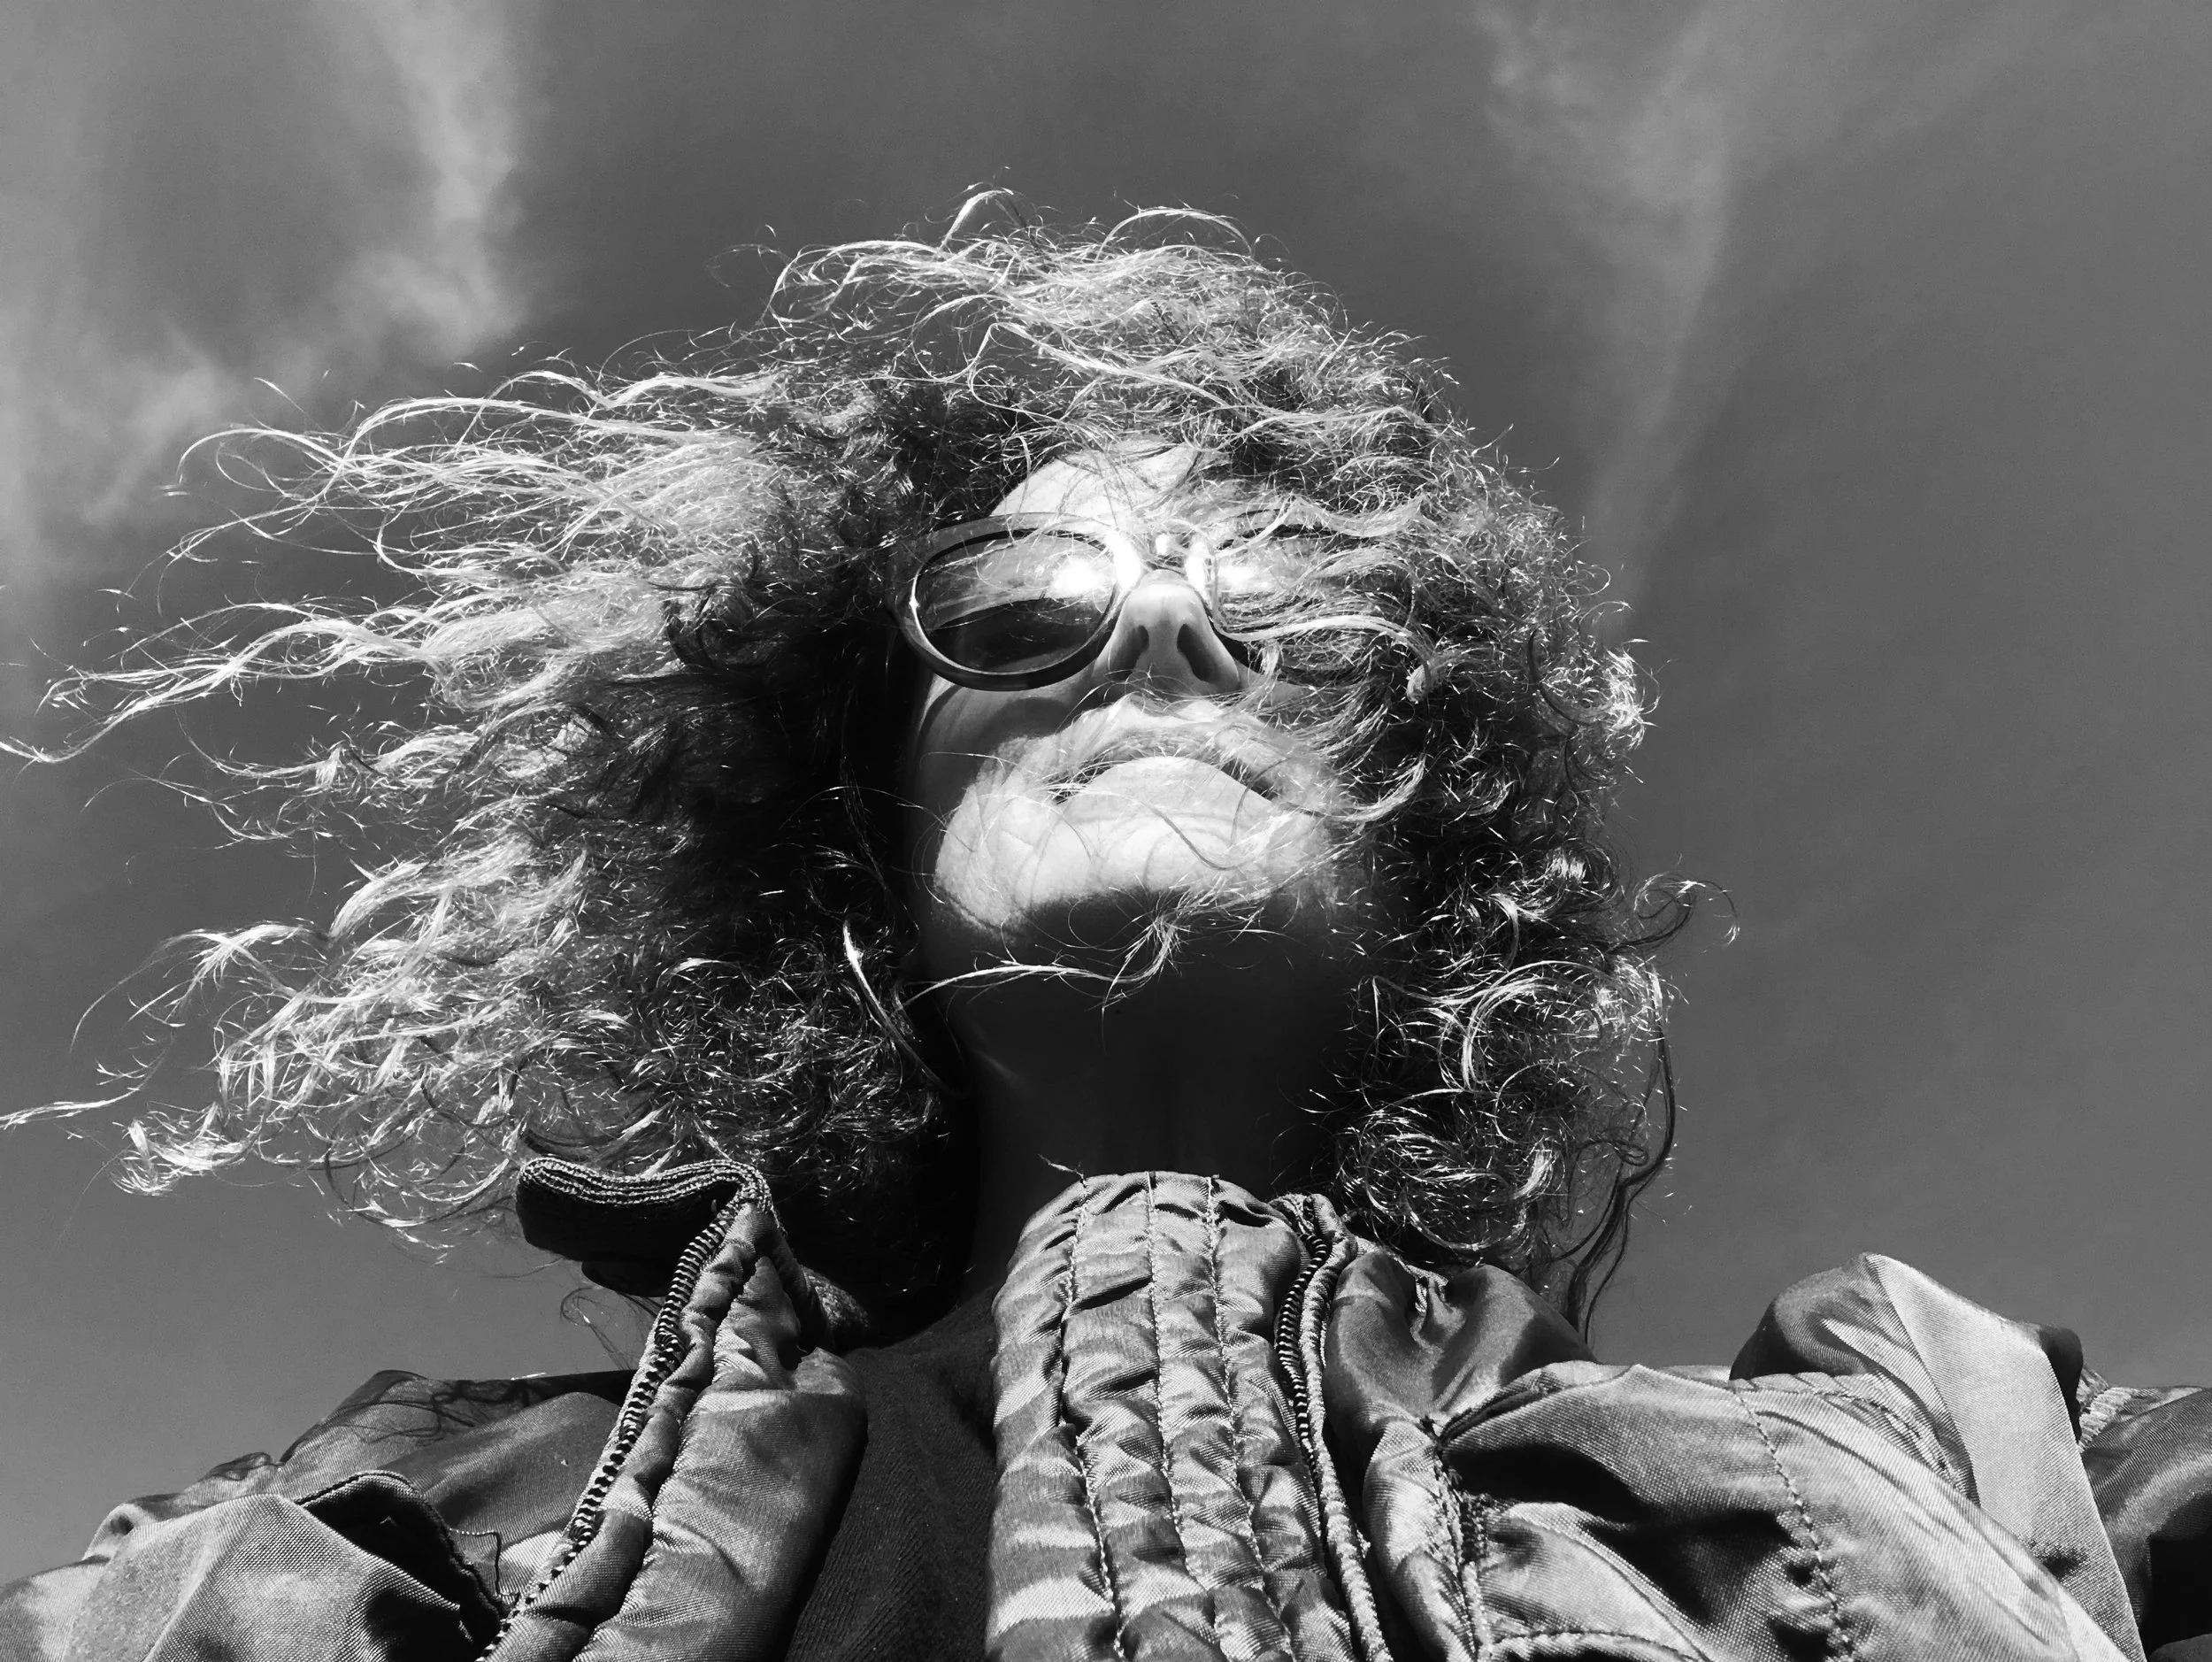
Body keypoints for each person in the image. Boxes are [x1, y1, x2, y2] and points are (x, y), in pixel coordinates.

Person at [4, 203, 2211, 1662]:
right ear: (859, 827)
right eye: (1018, 608)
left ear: (1428, 833)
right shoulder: (385, 1514)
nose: (1158, 636)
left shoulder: (1945, 1439)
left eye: (1292, 614)